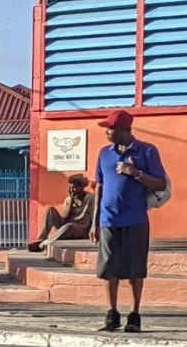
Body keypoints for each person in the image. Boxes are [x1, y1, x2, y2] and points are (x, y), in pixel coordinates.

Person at [90, 110, 168, 333]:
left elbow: (160, 184)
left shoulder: (147, 151)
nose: (107, 132)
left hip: (135, 219)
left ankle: (134, 315)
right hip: (108, 219)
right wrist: (95, 221)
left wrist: (134, 173)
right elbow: (100, 187)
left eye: (111, 128)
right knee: (108, 269)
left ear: (124, 130)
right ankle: (112, 314)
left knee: (135, 269)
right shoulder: (104, 154)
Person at [29, 174, 95, 253]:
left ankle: (45, 243)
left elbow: (94, 216)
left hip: (81, 228)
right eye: (70, 187)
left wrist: (92, 231)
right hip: (66, 226)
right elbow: (65, 218)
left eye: (74, 187)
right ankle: (41, 238)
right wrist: (71, 202)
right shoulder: (68, 199)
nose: (71, 190)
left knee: (68, 227)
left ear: (81, 187)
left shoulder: (90, 199)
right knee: (50, 210)